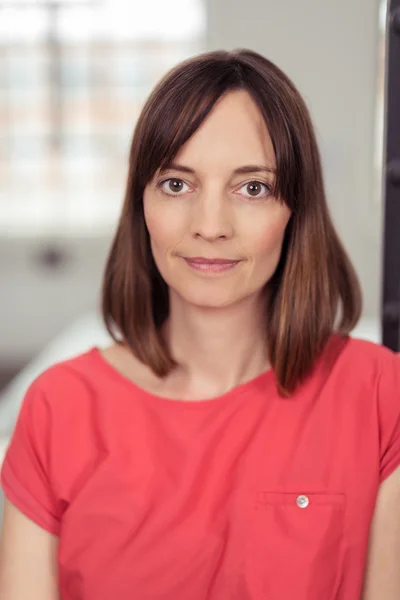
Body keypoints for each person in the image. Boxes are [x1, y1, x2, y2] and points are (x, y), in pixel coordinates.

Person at [0, 49, 399, 600]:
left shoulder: (379, 394)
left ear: (295, 208)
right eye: (177, 184)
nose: (210, 226)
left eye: (252, 187)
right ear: (141, 203)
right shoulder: (58, 407)